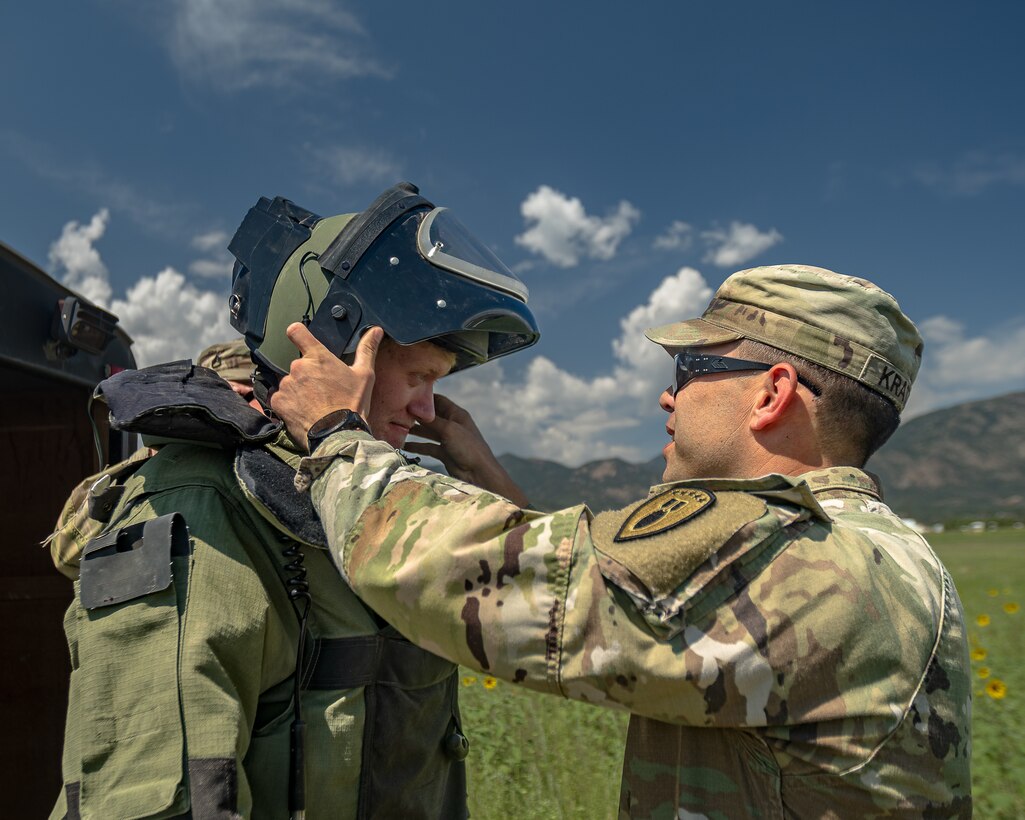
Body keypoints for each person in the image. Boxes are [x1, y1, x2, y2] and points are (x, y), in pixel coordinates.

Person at [271, 264, 972, 818]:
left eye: (689, 371)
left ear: (771, 393)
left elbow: (483, 584)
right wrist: (481, 471)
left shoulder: (793, 555)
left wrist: (339, 437)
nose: (667, 399)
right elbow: (609, 589)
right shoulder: (866, 546)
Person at [51, 182, 538, 819]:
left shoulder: (361, 493)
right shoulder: (203, 506)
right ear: (333, 351)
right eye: (418, 377)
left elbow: (535, 604)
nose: (429, 409)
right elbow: (154, 798)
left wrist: (482, 470)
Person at [46, 338, 260, 580]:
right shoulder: (150, 464)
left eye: (253, 397)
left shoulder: (282, 464)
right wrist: (151, 466)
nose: (236, 411)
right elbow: (66, 556)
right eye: (225, 397)